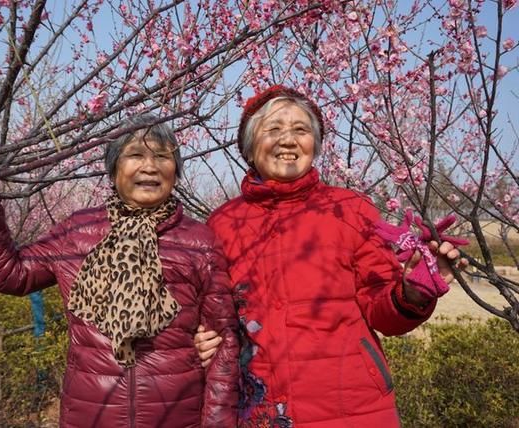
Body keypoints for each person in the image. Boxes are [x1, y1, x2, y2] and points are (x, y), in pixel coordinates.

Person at [193, 85, 468, 427]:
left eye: (301, 130)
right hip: (258, 410)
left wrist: (412, 293)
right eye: (273, 129)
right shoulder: (222, 223)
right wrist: (203, 338)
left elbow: (383, 312)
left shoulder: (350, 211)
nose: (288, 140)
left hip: (354, 409)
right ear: (250, 146)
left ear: (316, 144)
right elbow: (210, 311)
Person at [0, 114, 239, 427]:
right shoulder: (79, 231)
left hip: (177, 415)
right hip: (91, 414)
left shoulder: (198, 241)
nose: (150, 166)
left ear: (176, 172)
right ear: (113, 170)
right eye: (136, 155)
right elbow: (9, 272)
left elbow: (223, 340)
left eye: (163, 156)